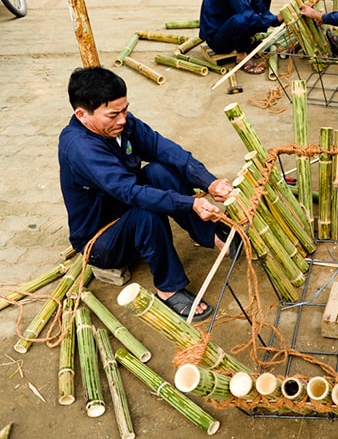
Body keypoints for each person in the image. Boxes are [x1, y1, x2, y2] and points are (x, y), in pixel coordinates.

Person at [59, 66, 234, 321]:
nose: (122, 119)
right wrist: (190, 203)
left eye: (125, 109)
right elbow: (130, 192)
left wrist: (209, 182)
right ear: (82, 115)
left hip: (121, 204)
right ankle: (168, 288)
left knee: (161, 171)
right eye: (112, 115)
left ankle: (213, 237)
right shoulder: (80, 148)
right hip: (101, 238)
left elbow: (164, 149)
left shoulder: (122, 124)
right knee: (146, 215)